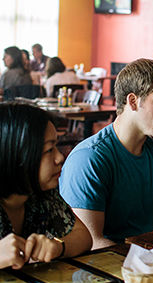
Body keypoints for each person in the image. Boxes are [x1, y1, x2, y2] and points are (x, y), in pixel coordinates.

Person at [59, 59, 153, 249]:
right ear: (133, 101)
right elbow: (91, 243)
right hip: (108, 267)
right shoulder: (89, 158)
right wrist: (146, 264)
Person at [0, 103, 91, 270]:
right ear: (17, 154)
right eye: (49, 150)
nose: (60, 157)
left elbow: (84, 237)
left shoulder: (41, 194)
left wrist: (57, 247)